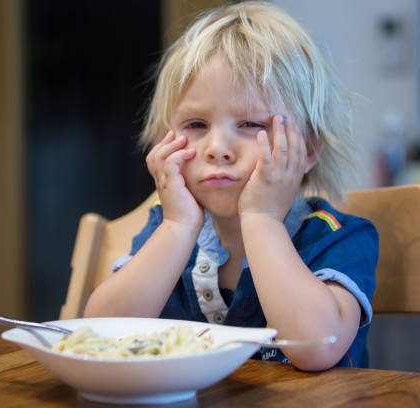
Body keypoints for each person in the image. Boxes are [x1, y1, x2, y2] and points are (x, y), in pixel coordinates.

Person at [84, 1, 378, 371]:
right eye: (195, 125)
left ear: (308, 149)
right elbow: (101, 335)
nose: (217, 149)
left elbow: (317, 347)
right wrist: (177, 228)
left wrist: (262, 220)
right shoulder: (166, 231)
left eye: (251, 124)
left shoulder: (337, 238)